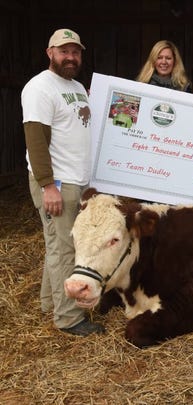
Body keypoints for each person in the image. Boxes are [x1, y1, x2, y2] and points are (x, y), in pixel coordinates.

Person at [21, 28, 104, 336]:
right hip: (58, 182)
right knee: (66, 248)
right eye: (64, 51)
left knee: (58, 245)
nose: (71, 57)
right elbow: (36, 140)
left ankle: (49, 303)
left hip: (76, 180)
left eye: (76, 52)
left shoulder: (77, 86)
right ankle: (69, 319)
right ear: (50, 52)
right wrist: (48, 186)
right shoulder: (40, 87)